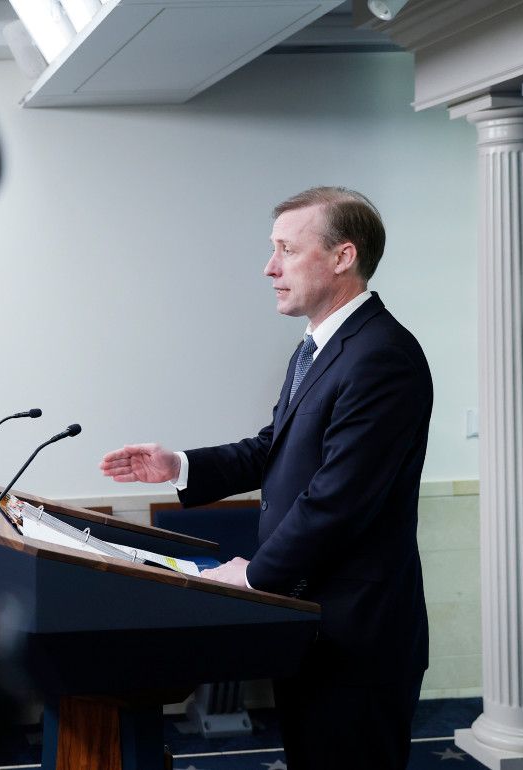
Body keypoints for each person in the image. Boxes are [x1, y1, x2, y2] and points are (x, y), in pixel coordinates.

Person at [99, 187, 431, 769]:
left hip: (357, 632)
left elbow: (338, 499)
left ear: (342, 257)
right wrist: (180, 464)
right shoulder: (322, 348)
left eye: (285, 249)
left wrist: (255, 576)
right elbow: (274, 448)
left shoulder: (381, 355)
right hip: (310, 622)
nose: (269, 268)